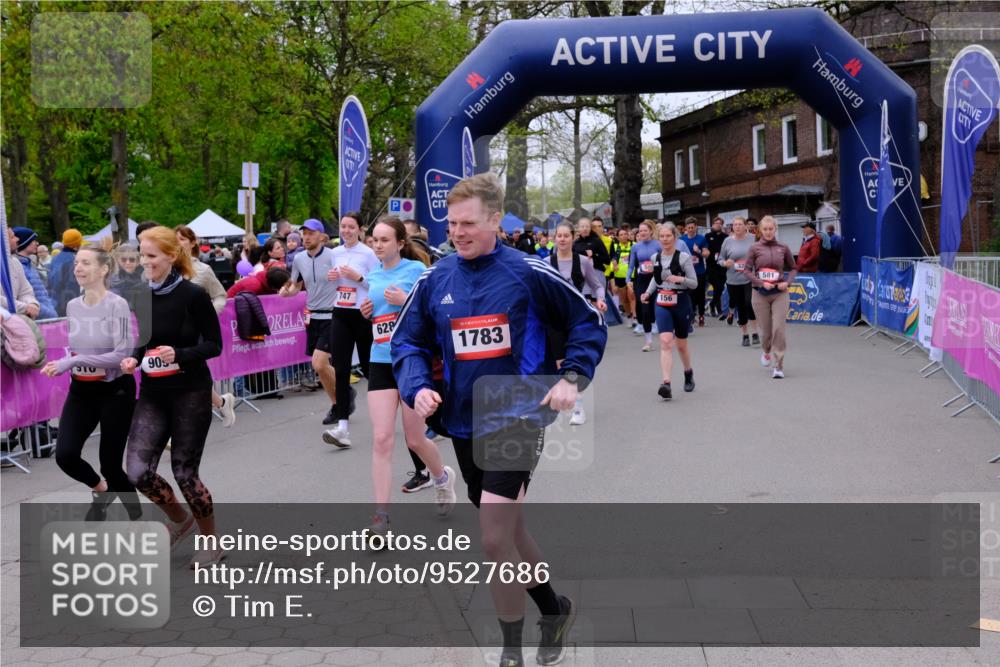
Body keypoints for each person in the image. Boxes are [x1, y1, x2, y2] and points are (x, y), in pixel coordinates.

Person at [392, 173, 606, 667]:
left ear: (495, 220)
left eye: (468, 223)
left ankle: (510, 651)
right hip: (464, 420)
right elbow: (407, 343)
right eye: (451, 223)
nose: (458, 232)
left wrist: (572, 377)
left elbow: (587, 320)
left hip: (518, 415)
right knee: (509, 532)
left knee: (491, 535)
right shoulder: (435, 278)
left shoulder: (529, 272)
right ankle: (555, 611)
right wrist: (418, 386)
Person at [120, 226, 225, 566]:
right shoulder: (141, 294)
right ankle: (181, 520)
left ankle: (212, 542)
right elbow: (145, 338)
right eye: (141, 255)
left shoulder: (193, 295)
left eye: (150, 256)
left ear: (170, 255)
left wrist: (179, 354)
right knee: (136, 471)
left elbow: (213, 344)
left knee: (184, 473)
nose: (143, 262)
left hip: (190, 391)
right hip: (153, 390)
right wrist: (135, 356)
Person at [357, 216, 457, 536]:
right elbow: (377, 315)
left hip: (412, 361)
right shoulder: (371, 276)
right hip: (380, 360)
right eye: (374, 240)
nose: (378, 245)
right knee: (382, 439)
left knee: (415, 439)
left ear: (400, 243)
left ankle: (441, 477)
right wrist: (367, 312)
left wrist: (406, 302)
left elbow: (433, 312)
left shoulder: (416, 272)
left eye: (384, 240)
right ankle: (381, 518)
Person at [41, 241, 142, 521]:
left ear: (103, 269)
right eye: (76, 263)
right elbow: (81, 349)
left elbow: (121, 354)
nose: (78, 268)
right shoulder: (73, 306)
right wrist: (75, 362)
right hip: (82, 390)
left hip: (115, 390)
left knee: (111, 464)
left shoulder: (117, 305)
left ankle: (137, 520)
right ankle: (101, 490)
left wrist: (73, 361)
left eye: (85, 263)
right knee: (66, 455)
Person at [279, 219, 352, 425]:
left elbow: (347, 280)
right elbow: (295, 286)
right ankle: (341, 399)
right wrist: (287, 292)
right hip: (312, 317)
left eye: (311, 233)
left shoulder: (333, 256)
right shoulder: (299, 259)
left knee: (319, 363)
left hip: (333, 315)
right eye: (305, 233)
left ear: (321, 236)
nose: (307, 237)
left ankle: (340, 403)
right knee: (322, 366)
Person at [321, 212, 378, 447]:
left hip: (362, 314)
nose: (346, 231)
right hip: (340, 312)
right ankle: (342, 426)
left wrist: (360, 277)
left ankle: (386, 412)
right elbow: (334, 284)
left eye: (351, 227)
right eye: (343, 227)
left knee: (368, 368)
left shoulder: (369, 254)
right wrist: (332, 277)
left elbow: (376, 284)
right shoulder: (334, 253)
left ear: (360, 229)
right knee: (341, 368)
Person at [175, 226, 236, 428]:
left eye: (182, 239)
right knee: (181, 373)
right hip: (171, 329)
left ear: (192, 243)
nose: (178, 243)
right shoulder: (166, 269)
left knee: (191, 371)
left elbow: (220, 295)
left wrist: (208, 314)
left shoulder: (203, 270)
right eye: (174, 240)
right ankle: (221, 402)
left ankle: (181, 422)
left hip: (195, 331)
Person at [550, 221, 606, 426]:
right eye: (559, 236)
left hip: (578, 318)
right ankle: (569, 400)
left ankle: (578, 408)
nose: (563, 239)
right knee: (559, 363)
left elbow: (597, 286)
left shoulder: (583, 262)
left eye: (566, 235)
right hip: (555, 317)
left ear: (572, 238)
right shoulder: (547, 261)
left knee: (574, 360)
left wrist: (600, 300)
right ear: (554, 238)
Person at [640, 222, 697, 401]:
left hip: (681, 302)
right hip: (662, 302)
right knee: (665, 341)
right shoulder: (655, 257)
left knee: (681, 345)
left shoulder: (684, 258)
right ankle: (666, 383)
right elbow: (656, 279)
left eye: (668, 236)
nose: (665, 239)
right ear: (658, 238)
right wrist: (648, 293)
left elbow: (694, 283)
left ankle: (688, 372)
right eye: (662, 236)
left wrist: (680, 279)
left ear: (675, 237)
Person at [743, 216, 797, 379]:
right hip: (760, 294)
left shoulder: (783, 247)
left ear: (775, 229)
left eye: (770, 229)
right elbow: (746, 270)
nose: (768, 232)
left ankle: (778, 366)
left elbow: (794, 268)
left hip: (780, 293)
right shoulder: (754, 248)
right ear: (761, 230)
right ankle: (766, 351)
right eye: (765, 229)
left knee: (779, 328)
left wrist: (787, 282)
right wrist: (760, 283)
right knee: (766, 332)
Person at [719, 217, 760, 347]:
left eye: (740, 224)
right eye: (735, 225)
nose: (737, 227)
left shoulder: (753, 239)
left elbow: (760, 254)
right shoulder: (727, 241)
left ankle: (755, 333)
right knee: (740, 307)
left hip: (750, 278)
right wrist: (725, 263)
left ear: (745, 226)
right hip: (733, 279)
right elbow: (720, 258)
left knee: (749, 303)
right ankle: (745, 335)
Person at [627, 220, 661, 350]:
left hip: (655, 279)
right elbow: (631, 266)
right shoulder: (635, 247)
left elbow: (663, 262)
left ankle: (660, 327)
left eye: (645, 230)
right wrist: (628, 279)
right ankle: (648, 341)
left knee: (657, 308)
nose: (642, 233)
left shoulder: (658, 245)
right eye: (640, 231)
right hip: (641, 280)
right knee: (645, 310)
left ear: (651, 232)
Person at [12, 227, 57, 319]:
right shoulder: (20, 268)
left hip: (46, 318)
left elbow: (43, 295)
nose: (37, 243)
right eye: (33, 240)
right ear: (25, 243)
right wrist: (51, 315)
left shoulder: (29, 265)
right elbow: (26, 297)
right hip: (39, 320)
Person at [1, 227, 40, 319]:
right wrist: (24, 307)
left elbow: (25, 291)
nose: (17, 239)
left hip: (18, 322)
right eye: (12, 237)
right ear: (2, 241)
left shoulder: (15, 263)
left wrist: (32, 303)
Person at [677, 217, 709, 327]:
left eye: (692, 227)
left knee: (700, 295)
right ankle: (691, 314)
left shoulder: (701, 239)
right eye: (688, 227)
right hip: (687, 273)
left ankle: (701, 315)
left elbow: (706, 254)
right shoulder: (682, 240)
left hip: (699, 271)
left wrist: (698, 251)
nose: (690, 229)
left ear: (696, 227)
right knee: (690, 295)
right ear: (685, 228)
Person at [48, 228, 84, 316]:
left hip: (54, 303)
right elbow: (72, 285)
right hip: (68, 306)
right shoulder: (74, 260)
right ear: (77, 243)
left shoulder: (55, 258)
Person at [704, 217, 728, 318]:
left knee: (720, 288)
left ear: (722, 225)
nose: (718, 225)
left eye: (720, 223)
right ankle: (719, 310)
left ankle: (713, 304)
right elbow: (704, 249)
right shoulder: (708, 236)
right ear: (713, 225)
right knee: (716, 286)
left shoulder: (726, 237)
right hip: (711, 267)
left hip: (722, 267)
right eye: (716, 223)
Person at [610, 227, 634, 326]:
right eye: (621, 235)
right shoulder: (615, 247)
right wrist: (613, 267)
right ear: (618, 237)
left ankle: (634, 316)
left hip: (632, 275)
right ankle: (628, 315)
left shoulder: (634, 245)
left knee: (632, 296)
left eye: (625, 234)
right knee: (624, 299)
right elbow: (611, 261)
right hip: (619, 276)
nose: (624, 236)